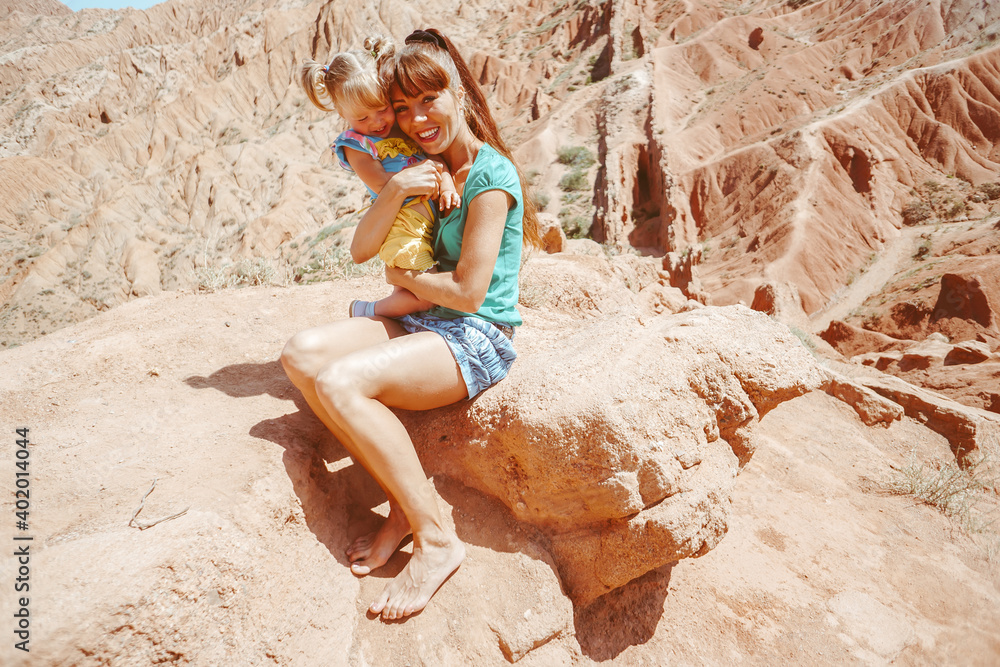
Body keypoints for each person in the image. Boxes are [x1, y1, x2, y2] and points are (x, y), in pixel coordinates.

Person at [281, 28, 542, 621]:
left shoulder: (490, 179)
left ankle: (435, 536)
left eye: (430, 100)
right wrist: (396, 188)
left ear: (460, 96)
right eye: (404, 107)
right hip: (424, 320)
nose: (418, 117)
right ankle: (404, 502)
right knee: (302, 356)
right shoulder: (419, 167)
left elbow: (468, 293)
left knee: (340, 384)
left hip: (475, 338)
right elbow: (360, 250)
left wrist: (407, 282)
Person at [300, 42, 460, 319]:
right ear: (342, 115)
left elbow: (436, 162)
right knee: (424, 296)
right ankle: (365, 310)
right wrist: (421, 174)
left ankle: (397, 321)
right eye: (362, 117)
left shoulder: (401, 128)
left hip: (427, 223)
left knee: (412, 293)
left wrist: (445, 184)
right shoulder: (356, 145)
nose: (376, 122)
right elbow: (382, 185)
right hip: (402, 226)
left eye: (382, 108)